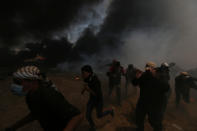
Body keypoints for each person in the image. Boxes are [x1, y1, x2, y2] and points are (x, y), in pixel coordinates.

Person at [6, 66, 83, 131]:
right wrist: (13, 127)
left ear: (33, 81)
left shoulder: (48, 94)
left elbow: (77, 116)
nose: (16, 85)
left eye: (19, 82)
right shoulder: (30, 96)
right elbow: (36, 114)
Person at [132, 62, 169, 131]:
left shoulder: (157, 77)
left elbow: (166, 88)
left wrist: (158, 77)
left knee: (153, 121)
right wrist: (137, 77)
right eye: (147, 67)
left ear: (153, 69)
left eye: (149, 67)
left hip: (153, 104)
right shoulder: (145, 76)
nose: (147, 69)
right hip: (143, 102)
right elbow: (135, 83)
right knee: (139, 118)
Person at [81, 65, 114, 131]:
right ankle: (93, 127)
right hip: (92, 99)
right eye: (82, 73)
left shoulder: (95, 80)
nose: (82, 75)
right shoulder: (88, 77)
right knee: (87, 115)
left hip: (98, 100)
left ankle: (110, 111)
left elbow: (97, 94)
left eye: (84, 73)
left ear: (89, 73)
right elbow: (87, 83)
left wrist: (88, 89)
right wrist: (84, 89)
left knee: (99, 115)